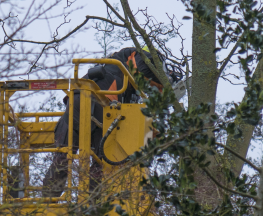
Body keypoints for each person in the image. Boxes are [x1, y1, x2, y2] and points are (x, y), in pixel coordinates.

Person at [42, 47, 172, 198]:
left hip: (78, 100)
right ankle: (91, 206)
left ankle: (47, 202)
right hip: (98, 103)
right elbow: (142, 73)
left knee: (62, 158)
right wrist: (164, 86)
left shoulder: (122, 75)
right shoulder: (142, 57)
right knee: (103, 163)